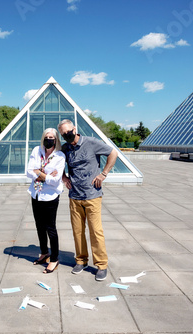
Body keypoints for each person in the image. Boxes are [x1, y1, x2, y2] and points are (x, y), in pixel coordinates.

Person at [57, 119, 118, 281]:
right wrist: (64, 177)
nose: (66, 135)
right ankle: (81, 260)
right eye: (63, 134)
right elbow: (57, 163)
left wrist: (103, 174)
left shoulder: (91, 142)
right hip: (74, 197)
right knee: (77, 231)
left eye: (68, 132)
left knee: (95, 231)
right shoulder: (65, 148)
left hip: (92, 196)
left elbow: (113, 153)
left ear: (74, 129)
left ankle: (101, 265)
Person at [26, 128, 65, 273]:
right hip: (36, 193)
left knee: (51, 228)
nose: (49, 139)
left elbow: (55, 181)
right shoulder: (37, 150)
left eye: (52, 138)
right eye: (46, 137)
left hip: (50, 196)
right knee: (39, 226)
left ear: (56, 140)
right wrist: (47, 174)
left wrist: (39, 172)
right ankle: (44, 253)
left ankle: (54, 259)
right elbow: (29, 171)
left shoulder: (60, 156)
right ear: (43, 138)